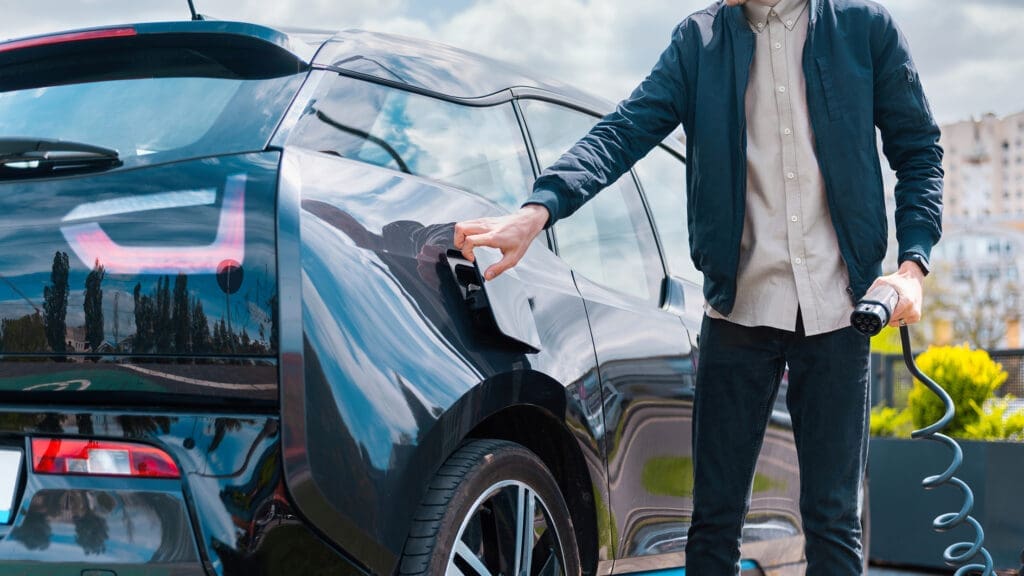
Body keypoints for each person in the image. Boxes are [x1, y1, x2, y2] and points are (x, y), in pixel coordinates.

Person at [454, 0, 942, 573]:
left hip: (840, 312)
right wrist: (539, 209)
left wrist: (912, 267)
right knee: (713, 523)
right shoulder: (698, 41)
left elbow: (918, 151)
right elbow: (624, 131)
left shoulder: (864, 28)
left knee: (834, 522)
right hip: (738, 316)